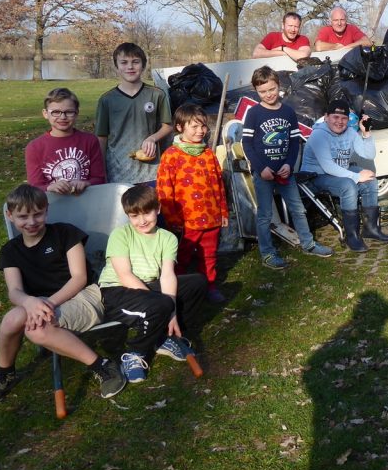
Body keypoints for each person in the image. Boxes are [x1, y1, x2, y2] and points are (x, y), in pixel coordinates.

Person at [0, 183, 126, 407]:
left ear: (46, 210)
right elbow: (15, 291)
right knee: (11, 319)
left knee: (35, 330)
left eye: (37, 214)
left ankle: (102, 365)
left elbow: (79, 278)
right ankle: (5, 373)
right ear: (10, 216)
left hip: (82, 296)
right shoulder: (11, 251)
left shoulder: (65, 233)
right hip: (39, 304)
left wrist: (48, 303)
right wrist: (30, 302)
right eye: (23, 216)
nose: (31, 222)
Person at [98, 185, 207, 384]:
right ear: (127, 216)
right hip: (117, 290)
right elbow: (124, 275)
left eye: (147, 212)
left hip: (149, 286)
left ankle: (164, 336)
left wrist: (172, 312)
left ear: (157, 208)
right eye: (134, 216)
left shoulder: (168, 238)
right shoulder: (120, 235)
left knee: (197, 283)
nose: (142, 221)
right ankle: (134, 353)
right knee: (162, 304)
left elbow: (167, 275)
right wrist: (162, 304)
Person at [241, 67, 333, 269]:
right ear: (256, 91)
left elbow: (294, 143)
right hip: (263, 173)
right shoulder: (254, 113)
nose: (268, 94)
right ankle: (267, 253)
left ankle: (308, 244)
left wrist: (288, 165)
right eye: (263, 91)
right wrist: (261, 167)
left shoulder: (288, 112)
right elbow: (246, 144)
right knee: (265, 215)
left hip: (285, 172)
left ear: (278, 86)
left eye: (271, 89)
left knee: (298, 209)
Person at [299, 98, 388, 252]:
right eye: (335, 117)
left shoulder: (350, 133)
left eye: (344, 118)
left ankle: (371, 229)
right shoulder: (319, 135)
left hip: (338, 173)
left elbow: (368, 155)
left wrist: (366, 133)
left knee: (370, 178)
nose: (340, 121)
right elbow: (328, 167)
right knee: (348, 186)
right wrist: (357, 177)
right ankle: (352, 237)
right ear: (326, 117)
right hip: (314, 177)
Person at [156, 104, 230, 303]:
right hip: (186, 222)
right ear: (180, 127)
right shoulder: (171, 156)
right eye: (194, 127)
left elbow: (218, 185)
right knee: (181, 256)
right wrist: (172, 219)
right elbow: (164, 190)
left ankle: (209, 285)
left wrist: (223, 211)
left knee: (209, 255)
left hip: (211, 217)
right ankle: (178, 288)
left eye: (203, 127)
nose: (200, 131)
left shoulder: (208, 155)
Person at [95, 42, 174, 185]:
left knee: (151, 207)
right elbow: (102, 138)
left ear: (143, 65)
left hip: (150, 170)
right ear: (116, 66)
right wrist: (102, 172)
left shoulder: (156, 95)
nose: (130, 67)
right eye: (124, 62)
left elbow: (167, 126)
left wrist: (152, 138)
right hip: (118, 171)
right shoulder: (107, 100)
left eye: (135, 62)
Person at [25, 87, 106, 195]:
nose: (63, 117)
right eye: (56, 112)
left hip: (87, 202)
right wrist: (50, 187)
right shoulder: (35, 147)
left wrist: (86, 183)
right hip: (51, 206)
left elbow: (99, 178)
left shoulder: (90, 141)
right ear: (45, 113)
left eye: (69, 112)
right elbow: (34, 187)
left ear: (76, 113)